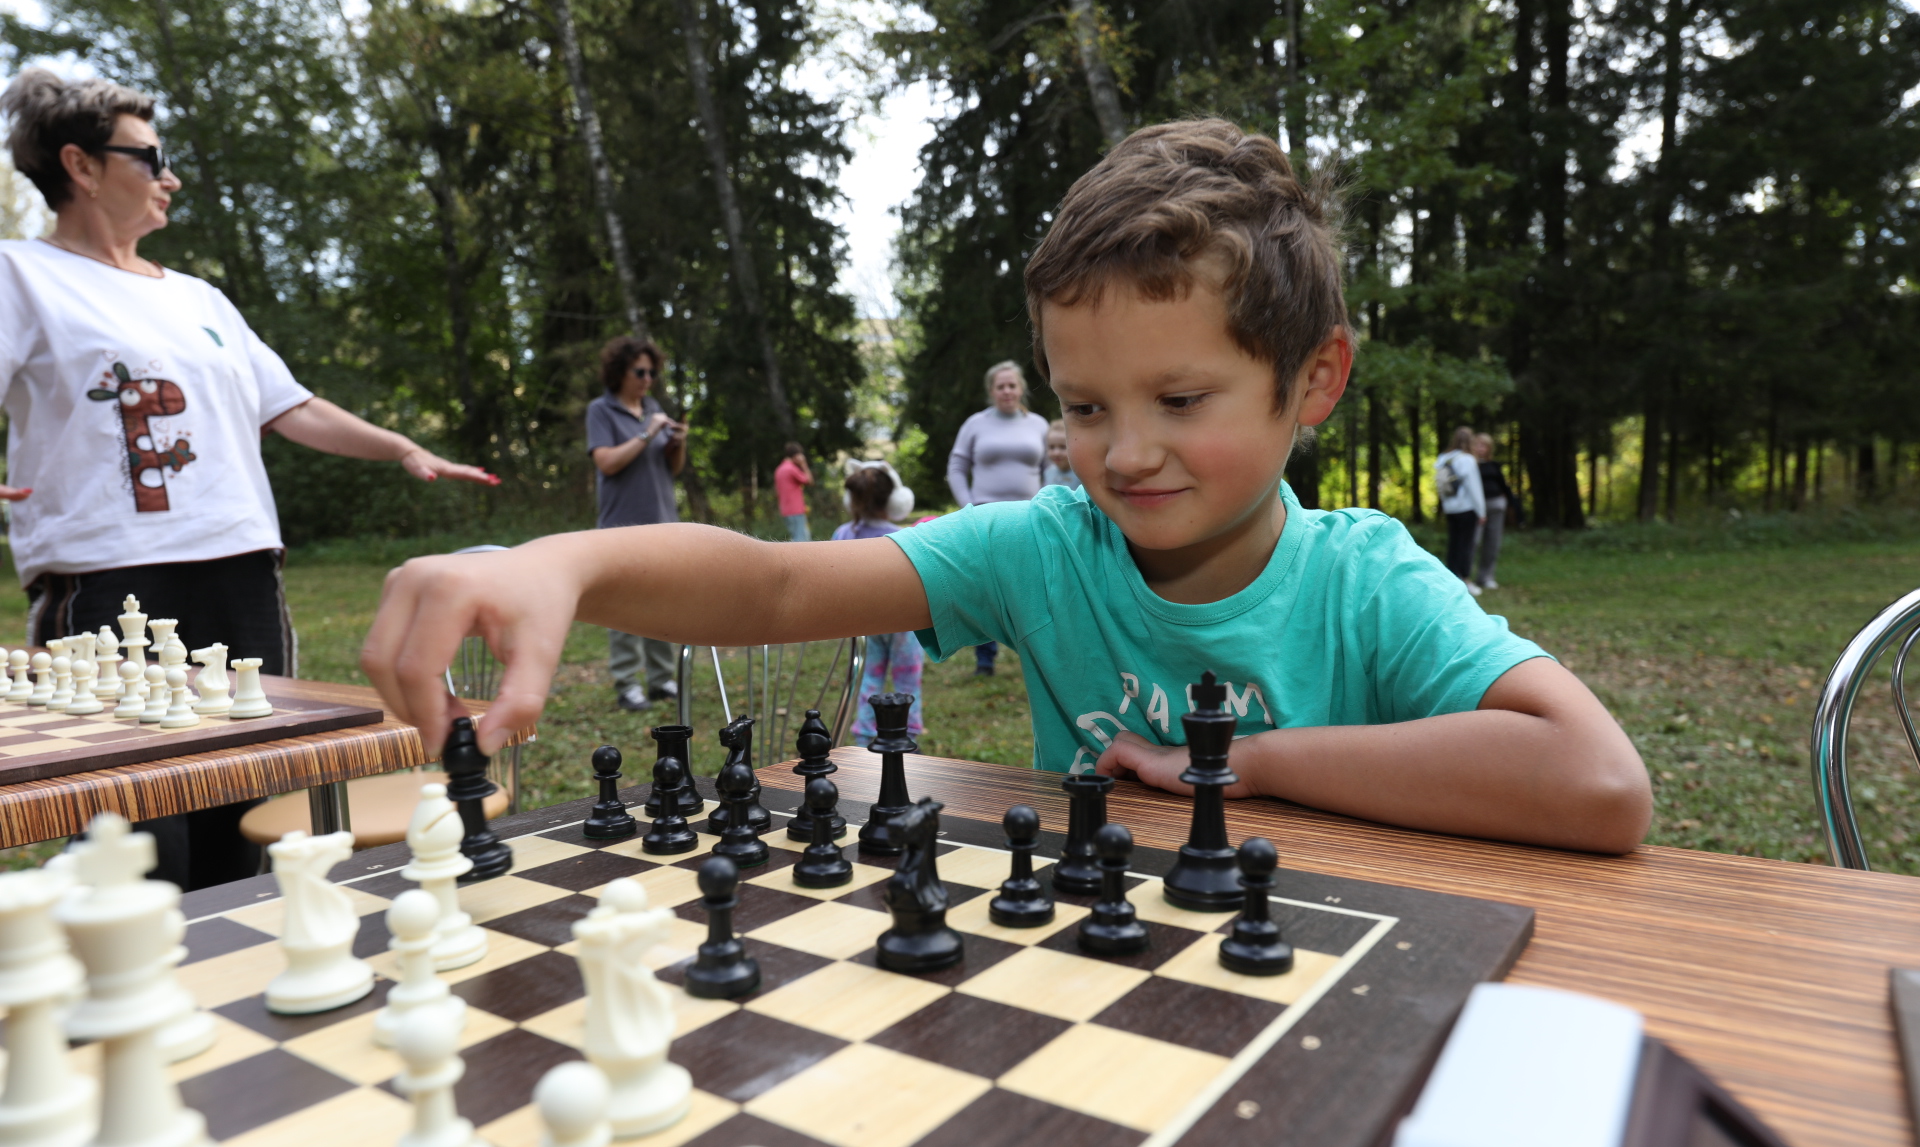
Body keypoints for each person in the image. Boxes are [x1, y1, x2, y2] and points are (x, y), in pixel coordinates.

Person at [366, 119, 1651, 856]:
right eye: (1086, 406)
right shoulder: (1042, 546)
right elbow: (768, 584)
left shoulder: (1365, 577)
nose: (1123, 452)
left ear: (1313, 381)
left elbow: (1598, 782)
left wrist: (1249, 761)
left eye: (1179, 400)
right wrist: (563, 563)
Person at [0, 70, 494, 888]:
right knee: (138, 832)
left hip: (241, 573)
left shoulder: (200, 298)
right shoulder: (21, 275)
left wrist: (400, 444)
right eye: (150, 156)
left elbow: (291, 406)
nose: (171, 175)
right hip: (109, 578)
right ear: (80, 167)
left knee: (250, 806)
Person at [587, 334, 688, 713]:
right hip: (620, 526)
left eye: (652, 372)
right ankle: (628, 683)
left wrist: (677, 443)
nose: (648, 378)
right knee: (623, 606)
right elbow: (607, 462)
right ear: (620, 372)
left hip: (662, 523)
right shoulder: (601, 410)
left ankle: (662, 679)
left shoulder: (654, 407)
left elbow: (671, 469)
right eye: (640, 371)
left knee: (664, 603)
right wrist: (647, 432)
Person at [947, 360, 1049, 675]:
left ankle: (1036, 656)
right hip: (984, 519)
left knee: (1031, 587)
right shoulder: (975, 424)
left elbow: (1050, 469)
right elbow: (956, 467)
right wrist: (968, 506)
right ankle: (985, 658)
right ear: (991, 391)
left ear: (1021, 388)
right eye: (1000, 386)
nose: (1007, 391)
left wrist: (1046, 505)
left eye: (1012, 385)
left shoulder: (1039, 425)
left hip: (1029, 519)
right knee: (985, 587)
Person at [834, 464, 924, 745]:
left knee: (868, 677)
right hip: (903, 624)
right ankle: (907, 735)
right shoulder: (905, 536)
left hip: (863, 624)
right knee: (907, 678)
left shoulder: (842, 535)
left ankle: (864, 735)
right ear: (894, 500)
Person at [1434, 426, 1485, 595]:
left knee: (1454, 544)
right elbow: (1474, 487)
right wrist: (1481, 511)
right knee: (1466, 545)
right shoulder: (1467, 459)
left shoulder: (1443, 458)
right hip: (1466, 508)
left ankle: (1451, 578)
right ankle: (1466, 579)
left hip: (1450, 509)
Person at [1472, 432, 1511, 591]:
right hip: (1476, 508)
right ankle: (1465, 576)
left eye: (1484, 445)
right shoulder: (1469, 464)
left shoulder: (1494, 465)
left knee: (1492, 543)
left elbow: (1504, 486)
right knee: (1474, 541)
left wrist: (1511, 505)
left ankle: (1486, 577)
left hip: (1496, 506)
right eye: (1478, 445)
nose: (1481, 449)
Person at [773, 442, 812, 541]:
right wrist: (804, 465)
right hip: (796, 510)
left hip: (785, 511)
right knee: (801, 541)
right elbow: (809, 481)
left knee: (796, 538)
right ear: (796, 456)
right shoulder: (791, 469)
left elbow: (777, 492)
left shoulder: (779, 469)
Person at [1043, 419, 1080, 489]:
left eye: (1063, 447)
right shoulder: (1048, 472)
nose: (1056, 453)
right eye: (1051, 447)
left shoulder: (1082, 475)